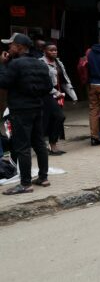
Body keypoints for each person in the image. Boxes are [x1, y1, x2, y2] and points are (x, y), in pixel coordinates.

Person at [0, 33, 53, 194]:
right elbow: (48, 87)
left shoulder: (15, 64)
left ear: (19, 47)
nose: (8, 48)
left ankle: (25, 183)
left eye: (11, 45)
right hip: (37, 108)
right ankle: (43, 177)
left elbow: (3, 82)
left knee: (22, 146)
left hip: (21, 110)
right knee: (39, 143)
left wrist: (2, 65)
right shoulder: (40, 64)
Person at [40, 43, 77, 155]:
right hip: (45, 94)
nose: (54, 52)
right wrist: (55, 92)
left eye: (55, 50)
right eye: (51, 50)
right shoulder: (40, 63)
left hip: (58, 95)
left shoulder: (58, 63)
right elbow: (42, 82)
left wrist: (73, 96)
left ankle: (52, 144)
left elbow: (65, 80)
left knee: (54, 119)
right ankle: (45, 145)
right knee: (56, 117)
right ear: (45, 51)